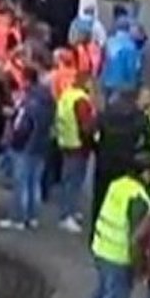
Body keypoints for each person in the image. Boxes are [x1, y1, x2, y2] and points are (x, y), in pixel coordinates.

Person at [88, 151, 150, 298]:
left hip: (101, 248)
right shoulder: (139, 198)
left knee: (101, 295)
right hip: (119, 256)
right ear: (145, 173)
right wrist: (140, 269)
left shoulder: (119, 185)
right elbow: (137, 239)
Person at [0, 65, 55, 231]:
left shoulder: (29, 101)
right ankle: (32, 217)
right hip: (41, 145)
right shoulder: (48, 100)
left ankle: (18, 218)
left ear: (26, 80)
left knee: (21, 183)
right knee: (34, 183)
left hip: (24, 146)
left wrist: (13, 136)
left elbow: (23, 124)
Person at [93, 90, 149, 232]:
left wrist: (98, 151)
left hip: (104, 163)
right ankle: (119, 228)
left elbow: (93, 134)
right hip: (126, 164)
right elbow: (147, 140)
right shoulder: (139, 118)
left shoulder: (105, 115)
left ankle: (97, 228)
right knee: (122, 199)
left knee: (100, 196)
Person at [55, 72, 96, 234]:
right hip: (79, 145)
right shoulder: (82, 101)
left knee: (68, 180)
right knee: (74, 182)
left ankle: (68, 211)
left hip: (66, 141)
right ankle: (67, 215)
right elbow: (86, 127)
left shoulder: (67, 95)